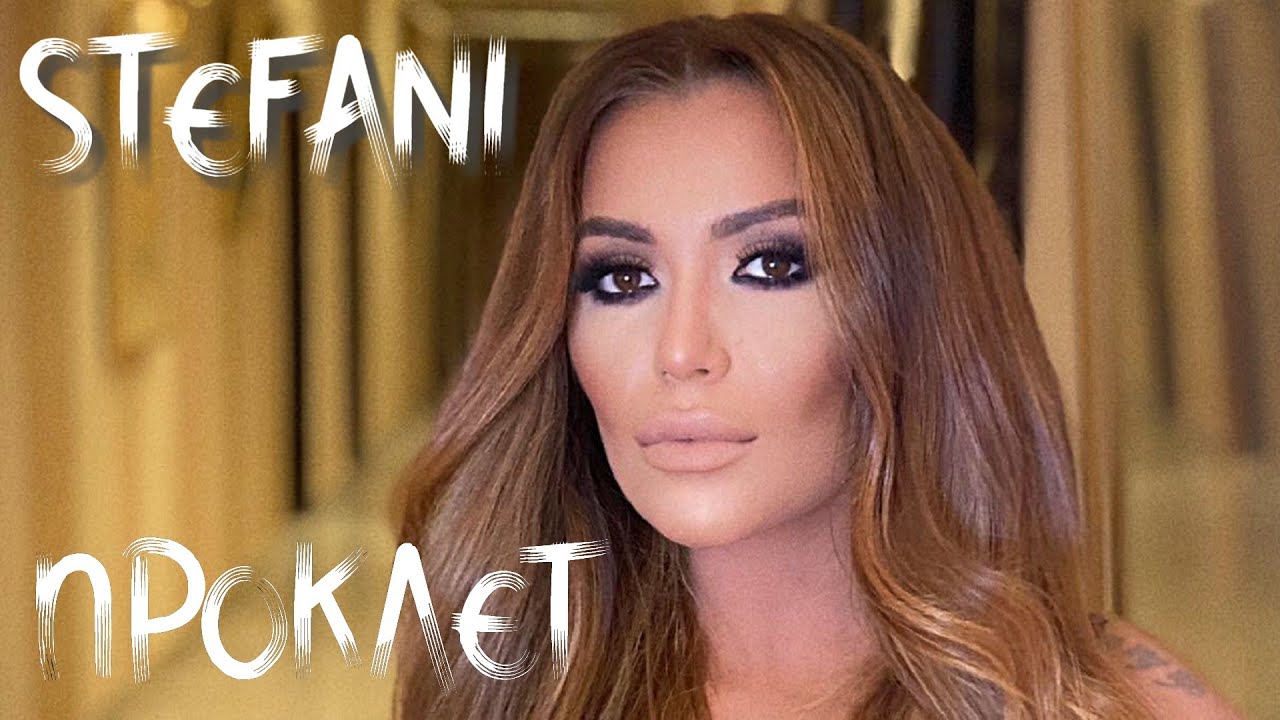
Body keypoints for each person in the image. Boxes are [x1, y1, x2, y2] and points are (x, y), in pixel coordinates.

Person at [393, 13, 1241, 719]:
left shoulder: (1115, 703)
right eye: (623, 279)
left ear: (908, 306)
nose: (681, 352)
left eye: (771, 266)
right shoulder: (506, 686)